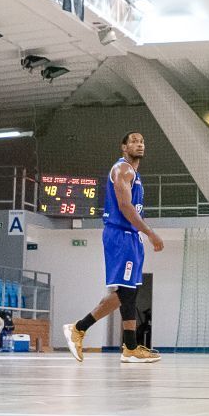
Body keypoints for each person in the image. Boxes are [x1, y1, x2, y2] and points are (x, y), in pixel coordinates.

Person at [63, 132, 164, 364]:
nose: (139, 144)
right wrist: (150, 232)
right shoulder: (123, 170)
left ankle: (130, 348)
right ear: (123, 147)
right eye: (134, 141)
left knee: (132, 291)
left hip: (131, 236)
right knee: (126, 292)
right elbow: (125, 206)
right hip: (120, 235)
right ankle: (78, 328)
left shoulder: (134, 173)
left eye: (142, 141)